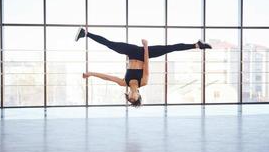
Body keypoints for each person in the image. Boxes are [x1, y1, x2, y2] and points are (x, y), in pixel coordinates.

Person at [75, 27, 212, 107]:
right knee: (170, 48)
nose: (131, 96)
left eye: (129, 97)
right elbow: (146, 64)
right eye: (133, 97)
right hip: (144, 54)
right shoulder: (143, 82)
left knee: (110, 44)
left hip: (131, 52)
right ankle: (197, 45)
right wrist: (146, 47)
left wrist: (90, 73)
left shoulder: (124, 83)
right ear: (139, 95)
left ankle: (85, 33)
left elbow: (106, 77)